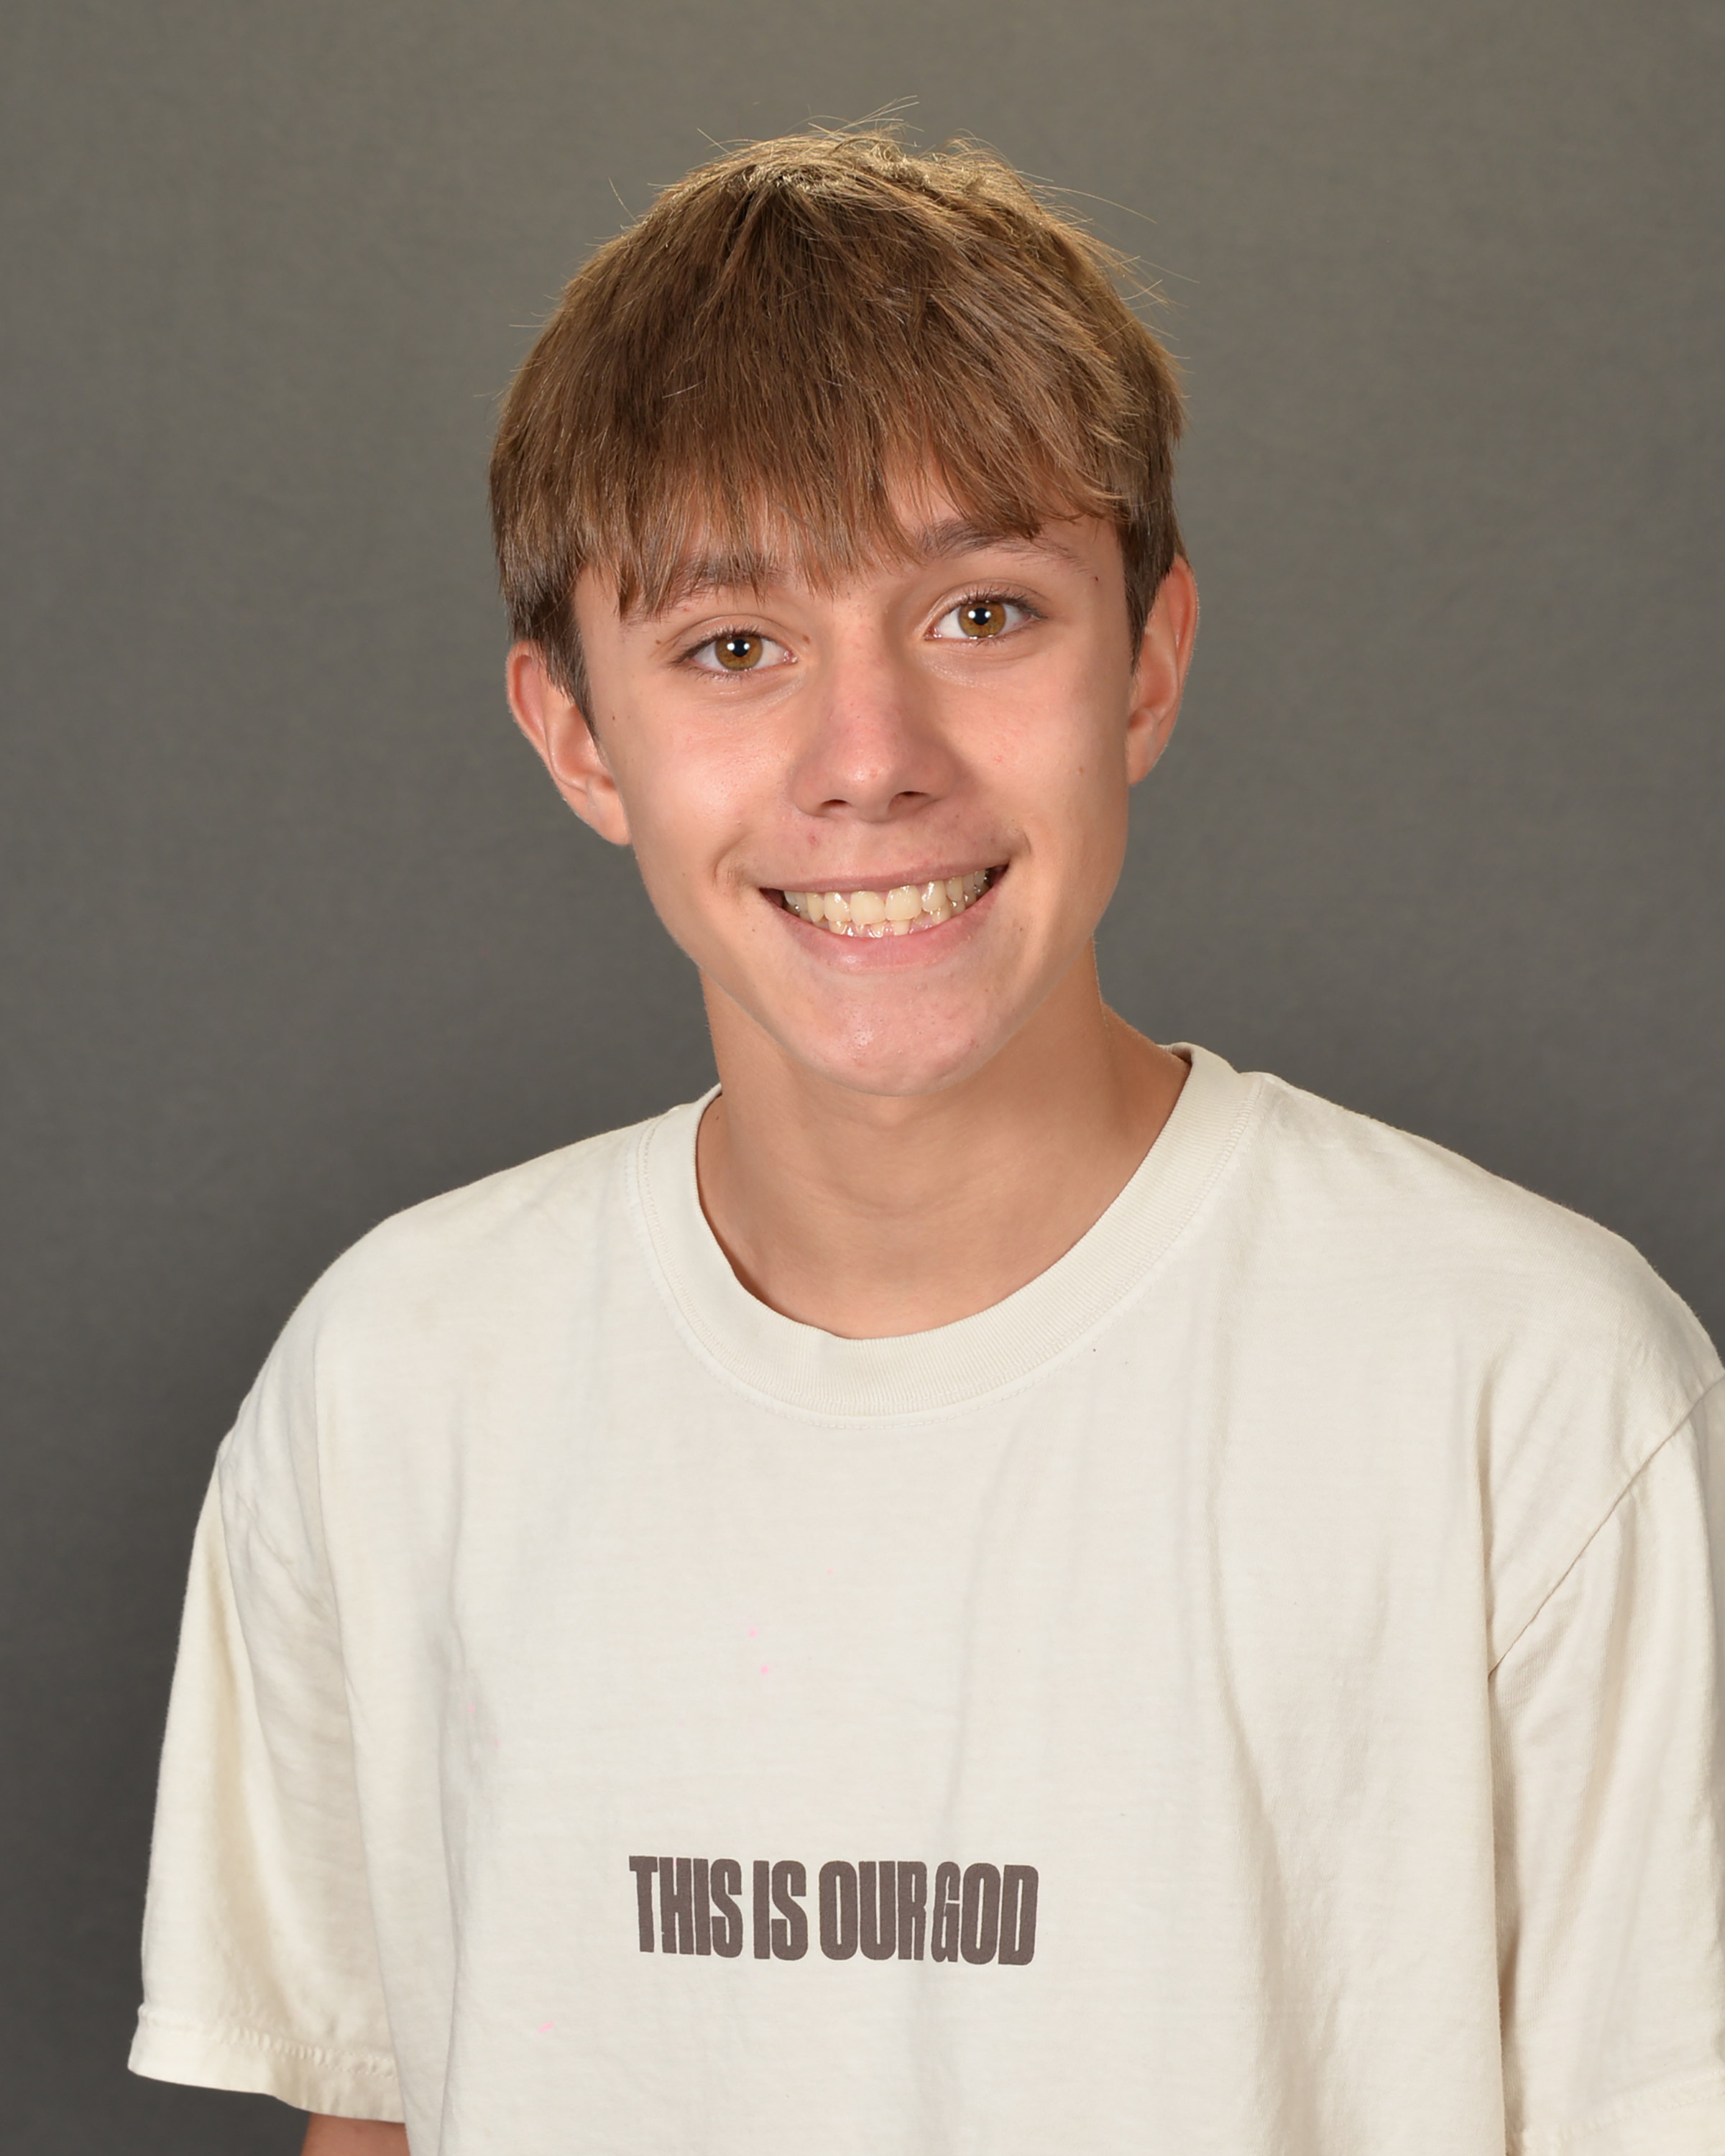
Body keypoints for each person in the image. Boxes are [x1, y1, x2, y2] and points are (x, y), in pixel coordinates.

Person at [129, 130, 1725, 2156]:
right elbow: (379, 2115)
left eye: (982, 613)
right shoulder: (394, 1387)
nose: (870, 761)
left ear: (1147, 662)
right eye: (733, 647)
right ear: (577, 735)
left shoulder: (1538, 1395)